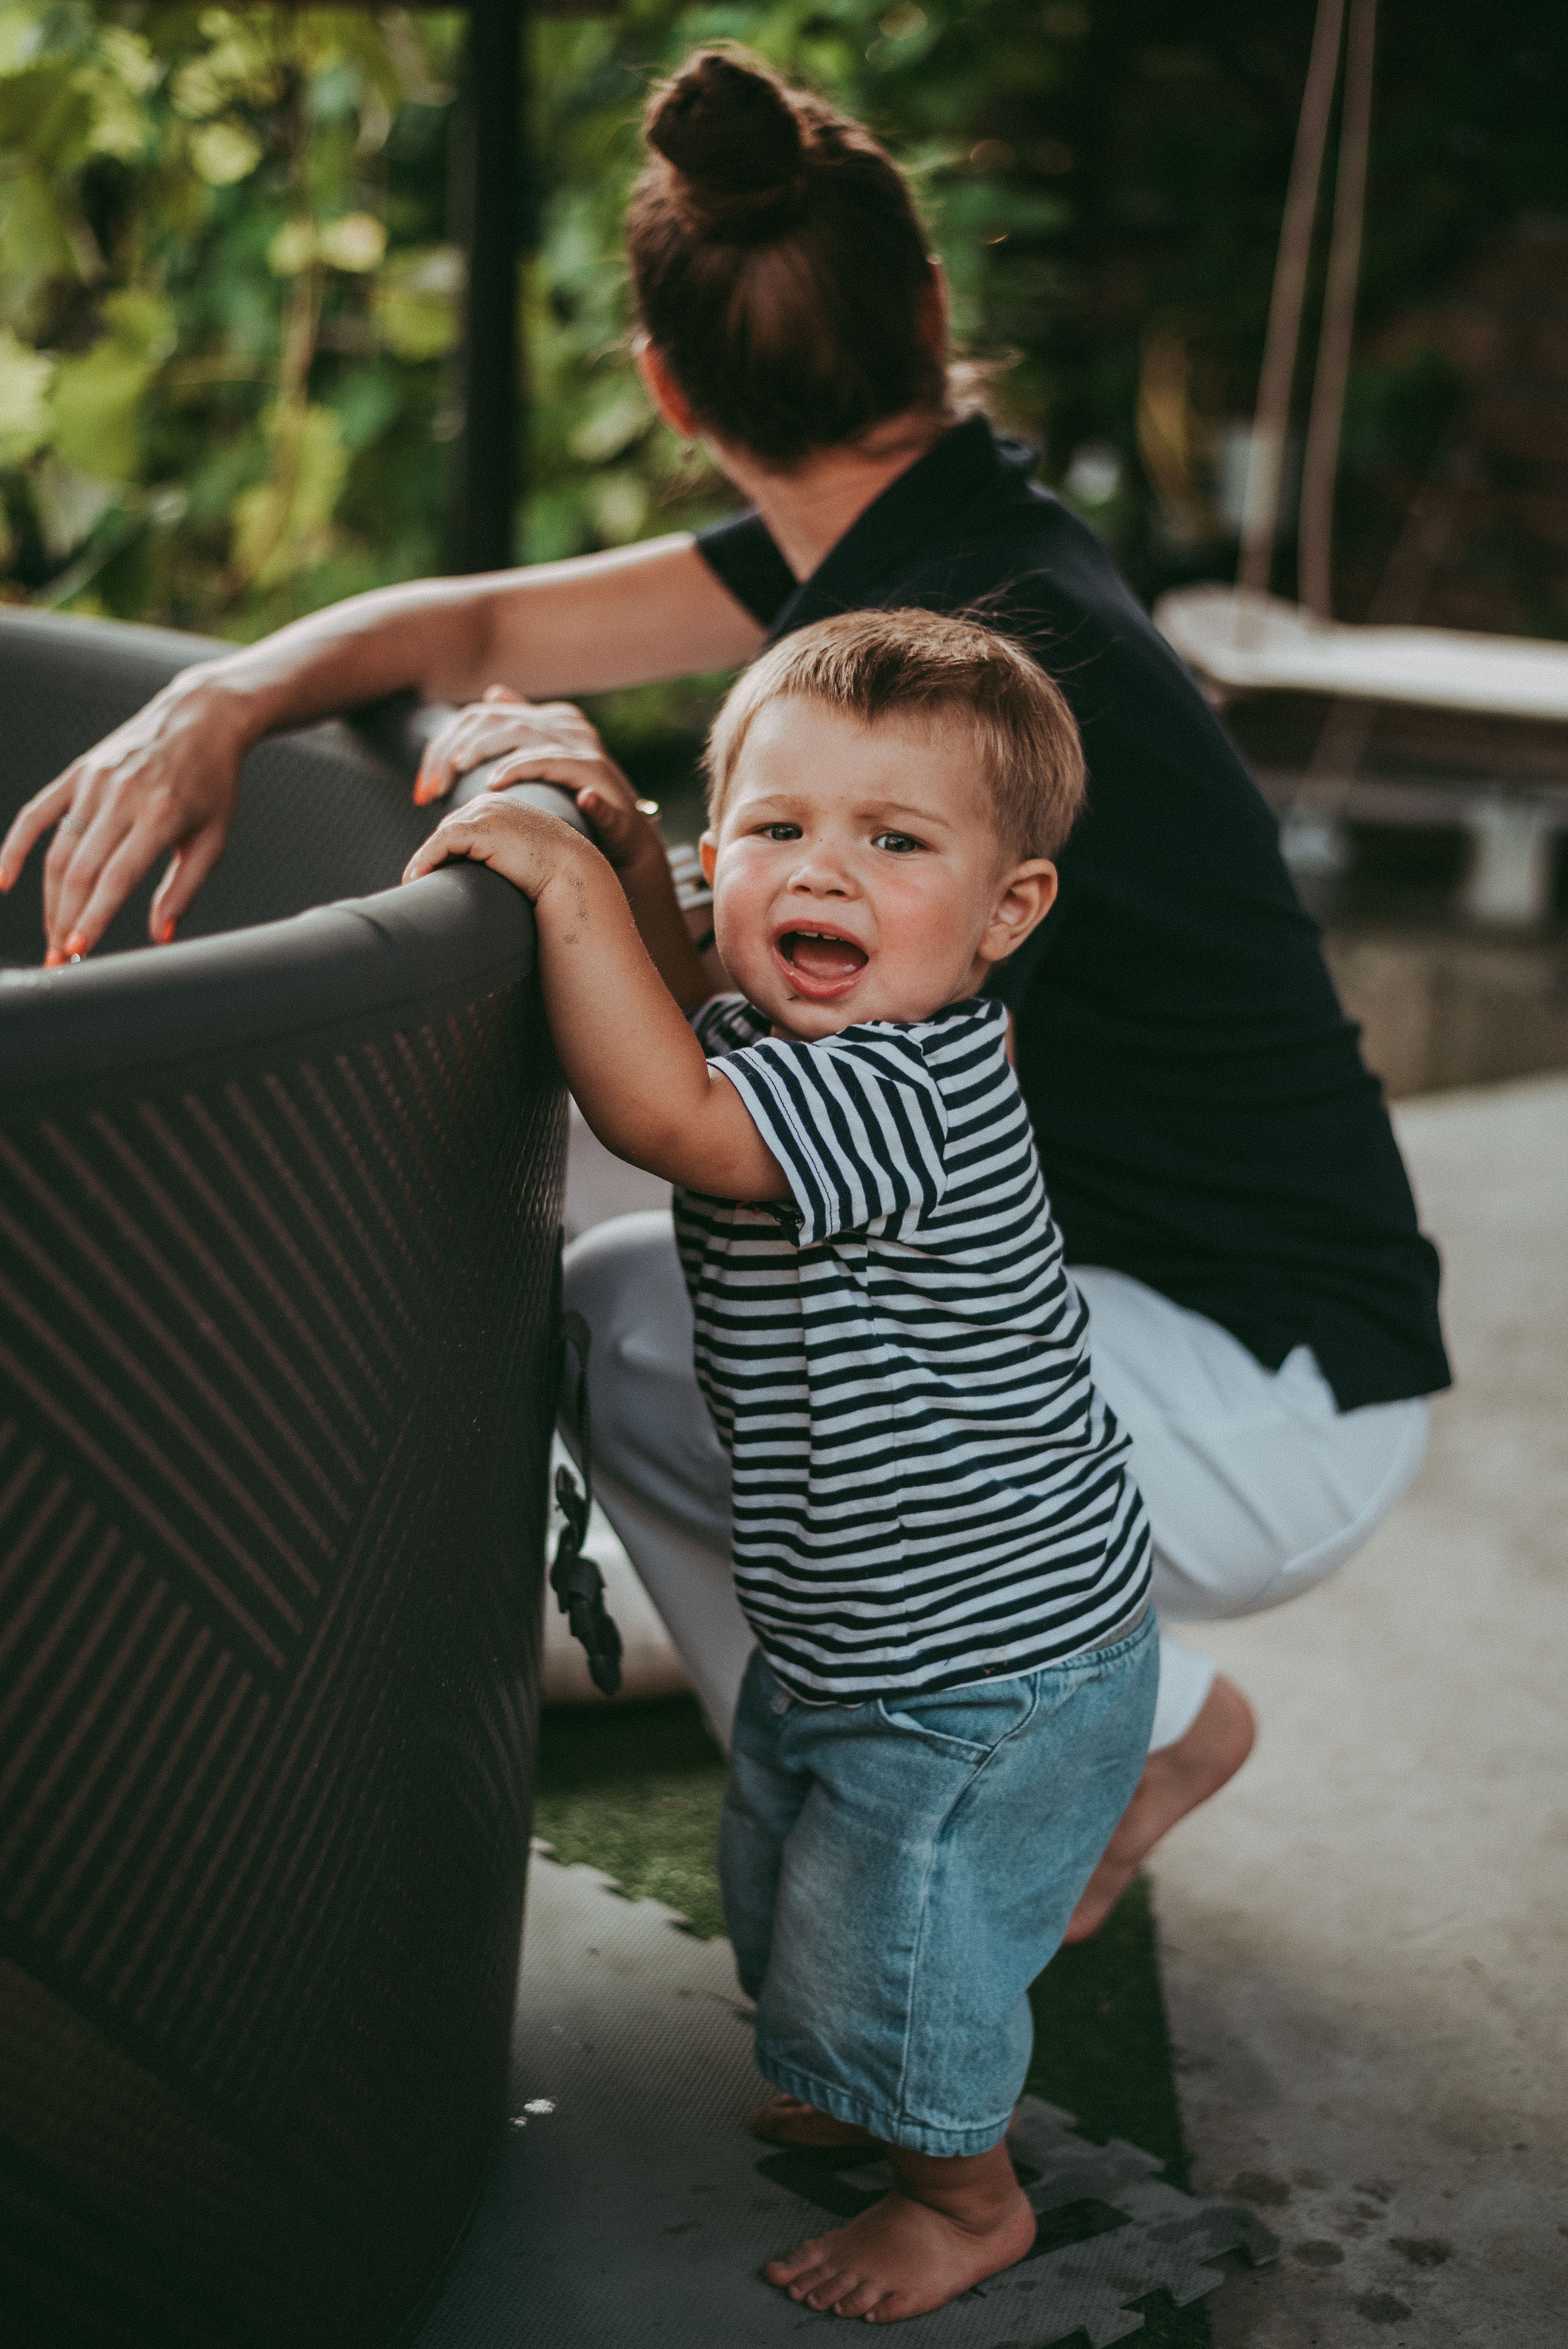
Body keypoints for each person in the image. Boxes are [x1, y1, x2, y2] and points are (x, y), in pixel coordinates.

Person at [0, 47, 1448, 1934]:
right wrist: (224, 696)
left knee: (642, 1315)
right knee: (640, 1295)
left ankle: (1091, 1733)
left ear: (671, 393)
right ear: (931, 313)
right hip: (1243, 1344)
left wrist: (586, 826)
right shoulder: (930, 552)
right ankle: (954, 1767)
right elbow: (481, 622)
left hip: (1252, 1395)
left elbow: (715, 1074)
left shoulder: (982, 662)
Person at [402, 607, 1161, 2321]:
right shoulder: (806, 1028)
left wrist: (562, 882)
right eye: (779, 830)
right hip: (863, 1635)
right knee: (795, 1873)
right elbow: (694, 1002)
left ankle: (964, 2193)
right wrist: (612, 831)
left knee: (901, 1926)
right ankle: (858, 2061)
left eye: (897, 842)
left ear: (1004, 912)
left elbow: (662, 1109)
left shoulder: (914, 1082)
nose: (826, 872)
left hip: (990, 1662)